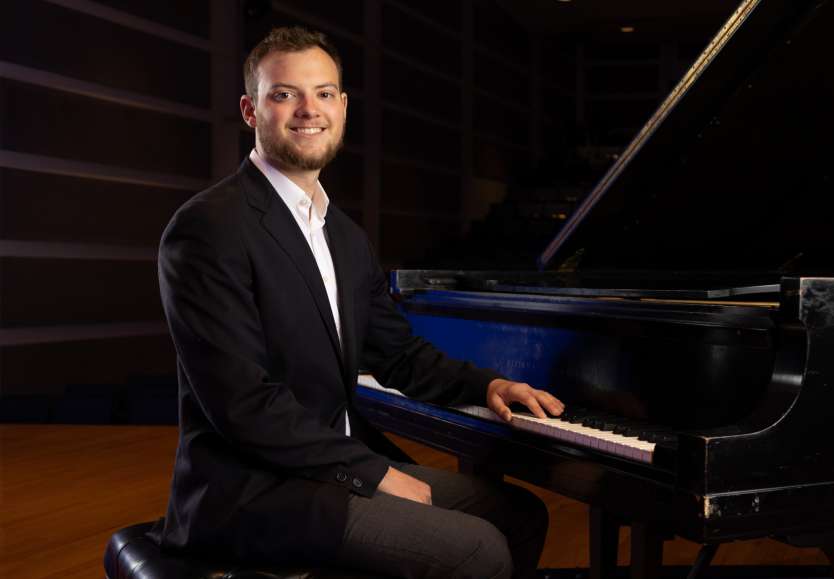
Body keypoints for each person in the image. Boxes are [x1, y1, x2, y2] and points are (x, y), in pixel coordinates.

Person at [152, 26, 564, 579]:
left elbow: (398, 354)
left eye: (323, 93)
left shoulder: (343, 235)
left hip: (329, 469)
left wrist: (486, 385)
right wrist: (372, 473)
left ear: (342, 107)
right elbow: (243, 403)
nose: (308, 110)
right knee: (476, 551)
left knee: (518, 514)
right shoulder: (208, 227)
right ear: (251, 111)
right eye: (284, 94)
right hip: (252, 491)